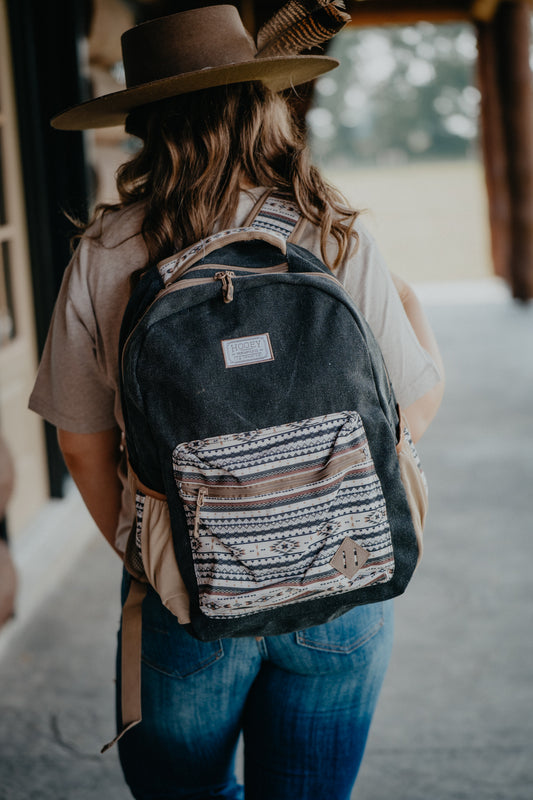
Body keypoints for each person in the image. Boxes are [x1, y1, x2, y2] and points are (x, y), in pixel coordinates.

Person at [29, 5, 444, 799]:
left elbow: (80, 446)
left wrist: (150, 549)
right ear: (262, 105)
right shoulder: (331, 230)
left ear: (145, 125)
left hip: (184, 587)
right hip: (338, 578)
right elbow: (406, 419)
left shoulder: (105, 250)